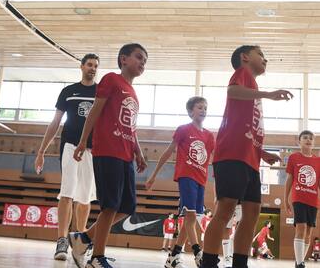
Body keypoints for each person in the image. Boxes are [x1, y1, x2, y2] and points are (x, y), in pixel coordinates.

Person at [201, 45, 293, 268]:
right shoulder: (242, 75)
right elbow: (232, 91)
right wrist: (269, 94)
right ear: (244, 57)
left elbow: (246, 130)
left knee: (252, 212)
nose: (265, 59)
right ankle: (208, 262)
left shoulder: (252, 85)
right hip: (231, 156)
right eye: (260, 54)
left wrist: (262, 153)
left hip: (249, 159)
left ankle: (240, 263)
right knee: (226, 209)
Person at [69, 43, 148, 268]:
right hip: (107, 151)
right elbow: (95, 110)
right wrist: (83, 140)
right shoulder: (111, 80)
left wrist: (139, 152)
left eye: (145, 61)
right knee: (110, 206)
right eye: (139, 57)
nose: (142, 63)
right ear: (123, 59)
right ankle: (97, 257)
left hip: (126, 155)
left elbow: (131, 127)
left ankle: (83, 238)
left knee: (127, 207)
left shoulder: (133, 93)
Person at [34, 53, 99, 261]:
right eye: (89, 64)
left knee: (85, 196)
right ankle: (61, 240)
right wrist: (41, 150)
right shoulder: (68, 91)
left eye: (96, 66)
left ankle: (79, 239)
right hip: (70, 146)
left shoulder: (101, 92)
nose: (93, 68)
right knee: (67, 191)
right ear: (81, 67)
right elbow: (55, 122)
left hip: (93, 150)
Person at [146, 96, 215, 268]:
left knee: (191, 219)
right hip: (186, 176)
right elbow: (168, 151)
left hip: (201, 179)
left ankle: (174, 256)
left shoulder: (209, 136)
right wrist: (153, 175)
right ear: (191, 112)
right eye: (199, 107)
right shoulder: (184, 130)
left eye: (205, 108)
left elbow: (214, 158)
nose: (203, 110)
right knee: (190, 216)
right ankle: (199, 253)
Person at [284, 130, 320, 268]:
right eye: (305, 137)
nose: (308, 140)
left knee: (309, 231)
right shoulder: (294, 158)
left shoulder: (318, 160)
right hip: (298, 198)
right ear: (299, 141)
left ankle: (300, 260)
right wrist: (286, 199)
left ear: (314, 142)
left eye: (311, 138)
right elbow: (289, 179)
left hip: (313, 201)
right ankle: (300, 263)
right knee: (301, 227)